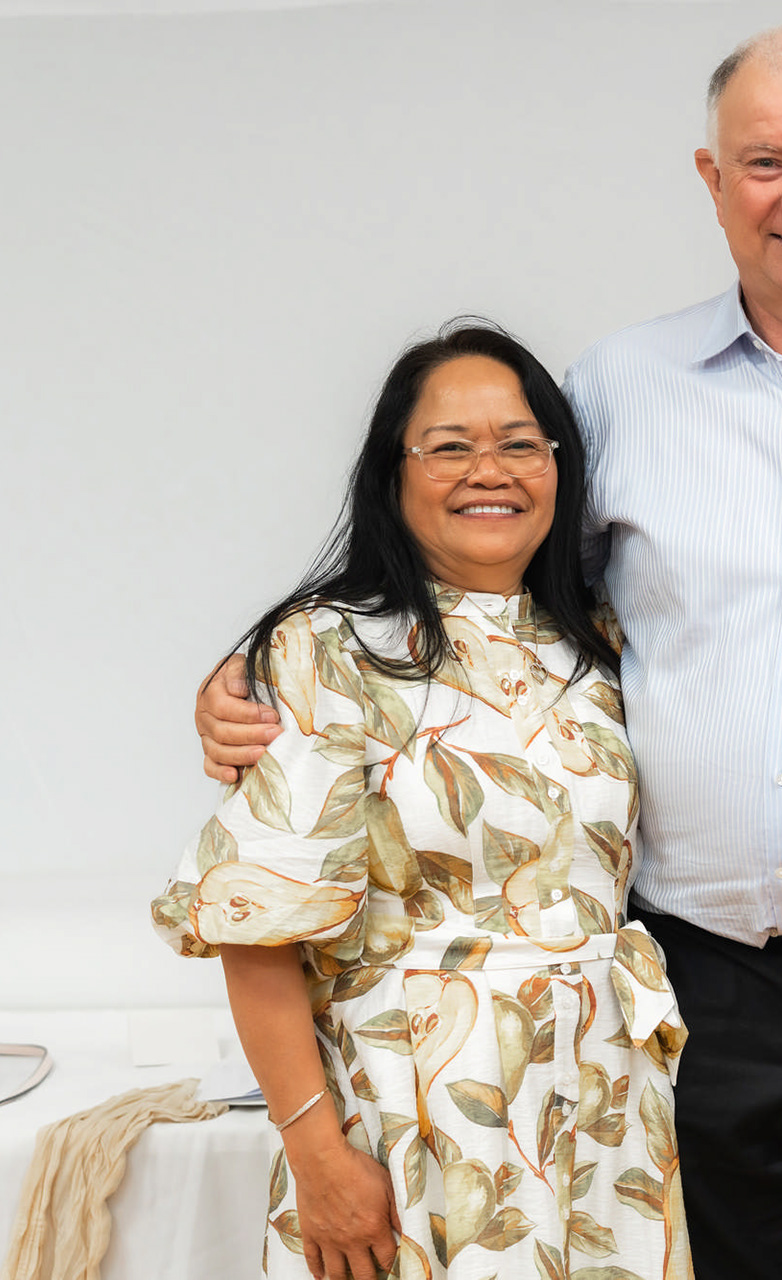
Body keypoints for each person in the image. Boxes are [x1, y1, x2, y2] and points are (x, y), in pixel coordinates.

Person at [198, 24, 782, 1280]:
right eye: (764, 162)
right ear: (711, 179)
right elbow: (498, 592)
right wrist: (261, 676)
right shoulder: (618, 390)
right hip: (689, 993)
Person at [155, 322, 691, 1280]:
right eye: (449, 447)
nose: (490, 471)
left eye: (520, 443)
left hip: (604, 1103)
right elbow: (257, 925)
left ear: (560, 468)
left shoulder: (601, 643)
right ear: (391, 475)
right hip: (416, 1105)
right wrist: (317, 1157)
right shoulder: (328, 649)